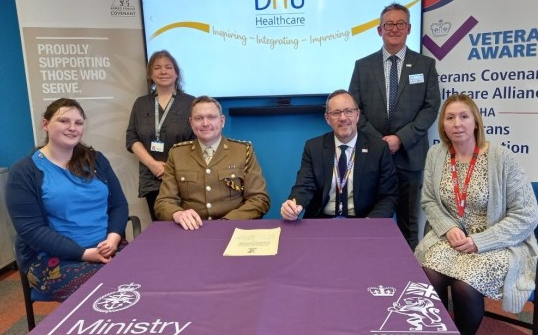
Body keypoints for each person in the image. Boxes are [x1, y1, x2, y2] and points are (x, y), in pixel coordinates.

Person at [414, 94, 538, 335]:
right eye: (450, 118)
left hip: (497, 242)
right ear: (443, 125)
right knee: (428, 274)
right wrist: (448, 228)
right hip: (453, 239)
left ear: (476, 122)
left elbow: (527, 214)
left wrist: (480, 241)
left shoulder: (502, 158)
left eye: (463, 116)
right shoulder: (436, 155)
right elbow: (429, 200)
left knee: (464, 285)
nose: (457, 123)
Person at [6, 98, 129, 302]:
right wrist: (84, 253)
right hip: (53, 260)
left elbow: (118, 205)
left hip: (108, 248)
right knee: (106, 291)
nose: (72, 128)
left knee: (150, 275)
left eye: (78, 123)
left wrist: (114, 238)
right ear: (45, 124)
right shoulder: (25, 172)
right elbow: (31, 230)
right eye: (64, 121)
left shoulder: (96, 160)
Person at [349, 2, 440, 250]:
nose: (394, 28)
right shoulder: (362, 66)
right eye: (389, 24)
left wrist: (400, 138)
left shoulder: (425, 65)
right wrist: (380, 141)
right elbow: (354, 109)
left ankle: (408, 279)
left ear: (409, 28)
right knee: (370, 220)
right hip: (371, 155)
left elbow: (431, 108)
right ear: (379, 30)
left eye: (400, 23)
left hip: (410, 157)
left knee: (409, 225)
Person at [154, 96, 270, 229]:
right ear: (191, 123)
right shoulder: (177, 154)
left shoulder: (243, 151)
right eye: (199, 118)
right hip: (191, 230)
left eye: (211, 117)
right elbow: (163, 202)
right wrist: (177, 213)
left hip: (234, 228)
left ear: (222, 121)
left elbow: (259, 200)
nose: (205, 123)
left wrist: (228, 221)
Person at [281, 89, 398, 220]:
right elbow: (304, 186)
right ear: (327, 119)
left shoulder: (378, 149)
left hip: (363, 221)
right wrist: (293, 205)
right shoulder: (313, 147)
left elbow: (389, 197)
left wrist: (369, 223)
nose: (343, 118)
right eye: (336, 113)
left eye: (349, 111)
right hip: (322, 220)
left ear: (357, 115)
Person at [126, 50, 195, 221]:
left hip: (185, 177)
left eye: (168, 67)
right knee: (161, 229)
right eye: (157, 68)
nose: (163, 72)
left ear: (176, 73)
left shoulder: (191, 102)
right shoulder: (141, 103)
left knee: (189, 226)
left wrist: (173, 168)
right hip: (152, 176)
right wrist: (152, 164)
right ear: (150, 74)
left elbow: (198, 139)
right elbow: (131, 137)